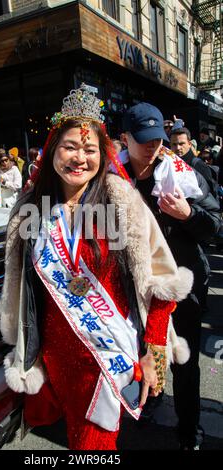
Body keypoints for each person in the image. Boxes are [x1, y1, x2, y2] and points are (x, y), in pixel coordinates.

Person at [0, 85, 194, 451]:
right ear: (53, 149)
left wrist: (157, 358)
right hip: (55, 357)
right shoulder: (29, 208)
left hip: (108, 354)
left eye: (89, 149)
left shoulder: (120, 200)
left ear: (102, 155)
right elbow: (23, 290)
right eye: (70, 147)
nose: (79, 158)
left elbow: (161, 284)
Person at [119, 102, 221, 450]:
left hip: (182, 285)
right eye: (144, 140)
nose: (154, 147)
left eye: (158, 139)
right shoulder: (113, 178)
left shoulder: (183, 173)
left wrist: (188, 213)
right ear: (125, 139)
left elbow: (215, 226)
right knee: (144, 351)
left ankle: (188, 429)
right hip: (134, 288)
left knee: (185, 362)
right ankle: (148, 401)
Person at [170, 127, 218, 198]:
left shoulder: (198, 165)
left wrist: (191, 208)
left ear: (189, 144)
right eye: (174, 144)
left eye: (181, 144)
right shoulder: (169, 163)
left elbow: (210, 196)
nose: (178, 148)